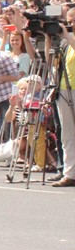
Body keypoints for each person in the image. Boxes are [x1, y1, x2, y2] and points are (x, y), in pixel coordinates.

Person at [50, 14, 75, 187]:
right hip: (65, 88)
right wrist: (47, 38)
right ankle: (70, 172)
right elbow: (50, 60)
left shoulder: (69, 39)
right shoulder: (66, 41)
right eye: (69, 21)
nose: (71, 24)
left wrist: (67, 35)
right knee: (67, 134)